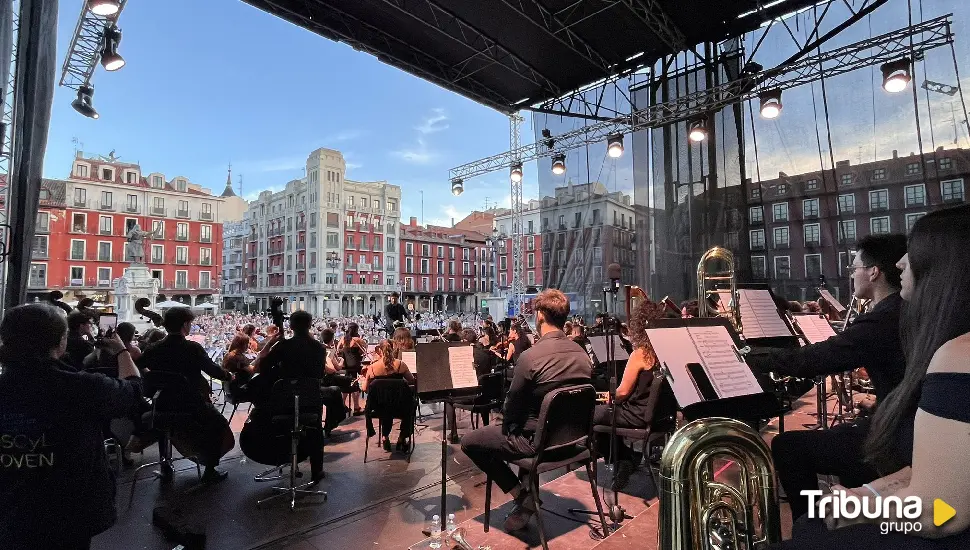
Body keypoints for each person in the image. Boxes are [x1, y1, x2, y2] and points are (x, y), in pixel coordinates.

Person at [769, 204, 970, 549]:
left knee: (808, 517)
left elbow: (942, 512)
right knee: (812, 523)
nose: (902, 263)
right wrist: (868, 493)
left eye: (913, 254)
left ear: (945, 269)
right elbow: (942, 467)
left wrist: (862, 505)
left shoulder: (956, 356)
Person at [747, 234, 908, 523]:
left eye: (854, 267)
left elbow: (817, 359)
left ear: (873, 272)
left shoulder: (884, 318)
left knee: (788, 447)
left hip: (898, 437)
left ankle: (810, 531)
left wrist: (753, 356)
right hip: (899, 423)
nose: (852, 274)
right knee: (843, 450)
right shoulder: (899, 311)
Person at [0, 304, 143, 550]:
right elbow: (133, 390)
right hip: (68, 512)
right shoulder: (82, 388)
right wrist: (121, 351)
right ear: (61, 341)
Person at [461, 289, 593, 532]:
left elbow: (511, 410)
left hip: (538, 445)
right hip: (573, 441)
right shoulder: (582, 354)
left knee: (471, 441)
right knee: (523, 424)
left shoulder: (531, 357)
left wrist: (508, 422)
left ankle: (521, 495)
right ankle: (525, 494)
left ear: (540, 316)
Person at [136, 307, 234, 483]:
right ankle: (210, 470)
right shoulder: (192, 348)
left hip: (163, 404)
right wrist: (228, 375)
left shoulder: (154, 348)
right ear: (185, 325)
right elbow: (213, 371)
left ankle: (166, 466)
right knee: (218, 424)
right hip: (191, 405)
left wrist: (154, 378)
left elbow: (138, 365)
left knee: (166, 425)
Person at [592, 300, 671, 491]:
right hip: (662, 418)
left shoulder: (641, 354)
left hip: (637, 415)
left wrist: (600, 397)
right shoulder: (669, 350)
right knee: (604, 413)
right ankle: (628, 457)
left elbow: (622, 393)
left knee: (591, 414)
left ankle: (621, 459)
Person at [251, 310, 333, 480]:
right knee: (316, 430)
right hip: (311, 399)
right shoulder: (319, 348)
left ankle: (284, 457)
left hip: (284, 400)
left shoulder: (284, 346)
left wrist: (275, 350)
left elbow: (263, 367)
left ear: (291, 326)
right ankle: (317, 471)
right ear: (310, 325)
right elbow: (319, 375)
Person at [362, 340, 416, 451]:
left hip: (379, 409)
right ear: (394, 349)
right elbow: (411, 380)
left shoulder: (372, 368)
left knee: (386, 408)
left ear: (379, 351)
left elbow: (365, 389)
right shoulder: (400, 364)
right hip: (399, 407)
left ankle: (384, 436)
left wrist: (365, 377)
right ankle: (402, 437)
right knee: (411, 406)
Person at [336, 322, 367, 415]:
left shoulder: (343, 338)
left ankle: (341, 406)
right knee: (355, 384)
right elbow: (364, 351)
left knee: (346, 384)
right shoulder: (358, 339)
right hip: (355, 365)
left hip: (346, 365)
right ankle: (356, 407)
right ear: (356, 330)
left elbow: (338, 350)